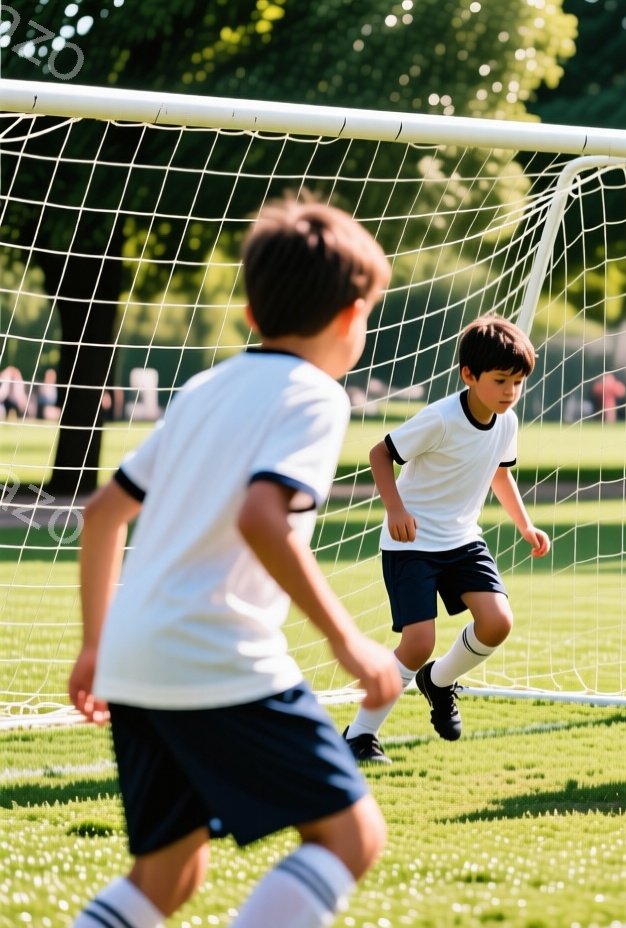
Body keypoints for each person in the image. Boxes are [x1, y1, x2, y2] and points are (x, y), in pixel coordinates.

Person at [68, 198, 401, 928]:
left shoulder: (203, 390)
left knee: (167, 875)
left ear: (250, 312)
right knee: (351, 835)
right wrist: (348, 641)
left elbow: (101, 516)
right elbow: (261, 516)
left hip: (136, 655)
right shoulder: (314, 396)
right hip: (211, 651)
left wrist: (97, 643)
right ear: (352, 316)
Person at [342, 315, 553, 764]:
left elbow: (499, 474)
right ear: (469, 376)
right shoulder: (439, 419)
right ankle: (359, 735)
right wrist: (395, 509)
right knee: (417, 644)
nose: (510, 391)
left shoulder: (506, 422)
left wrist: (525, 524)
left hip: (462, 541)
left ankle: (438, 682)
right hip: (412, 543)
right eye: (500, 381)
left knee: (497, 622)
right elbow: (380, 454)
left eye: (517, 382)